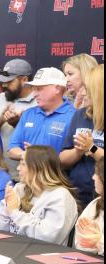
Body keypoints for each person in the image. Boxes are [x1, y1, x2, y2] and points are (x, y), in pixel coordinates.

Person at [0, 146, 78, 246]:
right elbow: (0, 229)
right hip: (15, 248)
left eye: (22, 164)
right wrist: (6, 209)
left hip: (44, 256)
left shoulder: (61, 196)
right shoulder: (19, 188)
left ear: (38, 168)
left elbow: (48, 238)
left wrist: (14, 213)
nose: (18, 168)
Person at [60, 64, 104, 207]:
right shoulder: (80, 114)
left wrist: (91, 148)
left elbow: (92, 149)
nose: (83, 93)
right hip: (78, 196)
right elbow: (62, 159)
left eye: (88, 88)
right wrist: (78, 151)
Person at [8, 67, 76, 160]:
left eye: (39, 89)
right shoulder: (28, 114)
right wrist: (26, 155)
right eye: (34, 89)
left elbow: (76, 156)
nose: (34, 94)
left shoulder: (74, 116)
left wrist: (38, 157)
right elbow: (12, 149)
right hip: (27, 174)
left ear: (57, 88)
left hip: (58, 174)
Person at [0, 59, 37, 181]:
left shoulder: (38, 101)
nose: (4, 86)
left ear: (24, 80)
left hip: (26, 177)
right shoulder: (1, 97)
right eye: (3, 82)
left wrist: (18, 124)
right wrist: (0, 120)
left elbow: (40, 141)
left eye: (9, 82)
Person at [75, 157, 104, 256]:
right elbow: (79, 243)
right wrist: (90, 241)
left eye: (97, 173)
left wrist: (99, 241)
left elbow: (99, 242)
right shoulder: (96, 204)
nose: (93, 177)